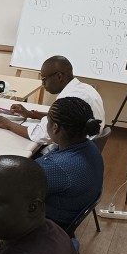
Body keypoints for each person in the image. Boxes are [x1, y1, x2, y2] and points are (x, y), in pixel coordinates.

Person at [0, 55, 105, 145]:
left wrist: (7, 124)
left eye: (44, 79)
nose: (43, 83)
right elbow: (67, 118)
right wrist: (30, 114)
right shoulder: (86, 88)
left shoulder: (68, 98)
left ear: (59, 77)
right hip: (86, 146)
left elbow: (41, 135)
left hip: (72, 152)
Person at [37, 97, 104, 231]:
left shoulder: (56, 167)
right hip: (72, 208)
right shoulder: (90, 146)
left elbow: (17, 191)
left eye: (47, 120)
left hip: (50, 225)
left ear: (55, 128)